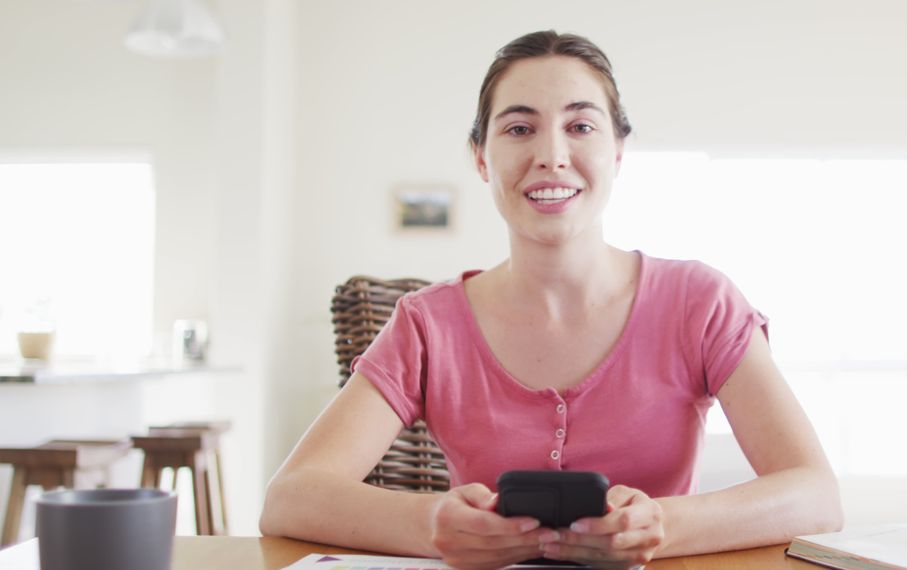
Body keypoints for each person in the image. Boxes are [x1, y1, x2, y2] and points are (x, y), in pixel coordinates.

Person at [260, 30, 843, 569]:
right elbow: (292, 498)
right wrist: (431, 523)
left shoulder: (700, 301)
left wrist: (662, 525)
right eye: (519, 128)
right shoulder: (426, 324)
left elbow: (815, 495)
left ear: (618, 151)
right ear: (481, 157)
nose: (552, 155)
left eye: (581, 126)